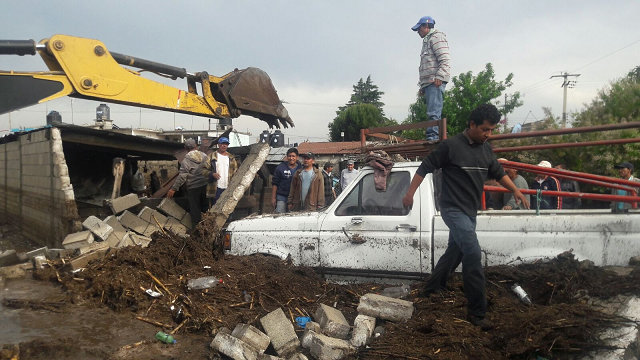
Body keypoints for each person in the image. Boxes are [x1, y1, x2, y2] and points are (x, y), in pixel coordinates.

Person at [401, 104, 529, 331]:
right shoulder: (450, 147)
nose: (488, 134)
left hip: (470, 212)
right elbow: (425, 167)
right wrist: (410, 193)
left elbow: (498, 174)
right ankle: (477, 312)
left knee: (457, 249)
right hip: (452, 209)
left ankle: (432, 288)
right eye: (485, 129)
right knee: (472, 251)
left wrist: (515, 190)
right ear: (472, 125)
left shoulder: (486, 149)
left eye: (491, 130)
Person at [412, 15, 450, 141]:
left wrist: (439, 76)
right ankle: (433, 135)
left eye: (419, 28)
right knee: (432, 111)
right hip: (429, 82)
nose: (418, 31)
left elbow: (444, 59)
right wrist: (423, 86)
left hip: (435, 81)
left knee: (434, 111)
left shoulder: (436, 38)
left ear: (426, 26)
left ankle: (433, 137)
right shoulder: (427, 40)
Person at [167, 138, 208, 229]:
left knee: (195, 210)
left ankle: (196, 232)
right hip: (205, 186)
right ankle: (207, 228)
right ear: (196, 146)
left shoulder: (187, 160)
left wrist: (173, 189)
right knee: (206, 209)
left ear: (185, 148)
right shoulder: (205, 156)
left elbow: (182, 176)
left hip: (193, 188)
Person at [203, 137, 238, 208]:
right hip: (216, 188)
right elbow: (203, 170)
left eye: (226, 144)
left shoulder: (231, 158)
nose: (224, 146)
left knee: (228, 209)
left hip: (228, 188)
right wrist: (212, 174)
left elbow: (235, 172)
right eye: (222, 144)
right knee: (215, 208)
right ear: (218, 145)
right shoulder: (211, 156)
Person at [271, 148, 302, 213]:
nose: (291, 158)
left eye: (293, 156)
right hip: (282, 197)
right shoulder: (280, 168)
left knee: (293, 218)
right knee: (280, 217)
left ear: (297, 157)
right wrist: (273, 197)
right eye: (289, 156)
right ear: (287, 157)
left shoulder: (301, 168)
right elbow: (275, 183)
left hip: (295, 198)